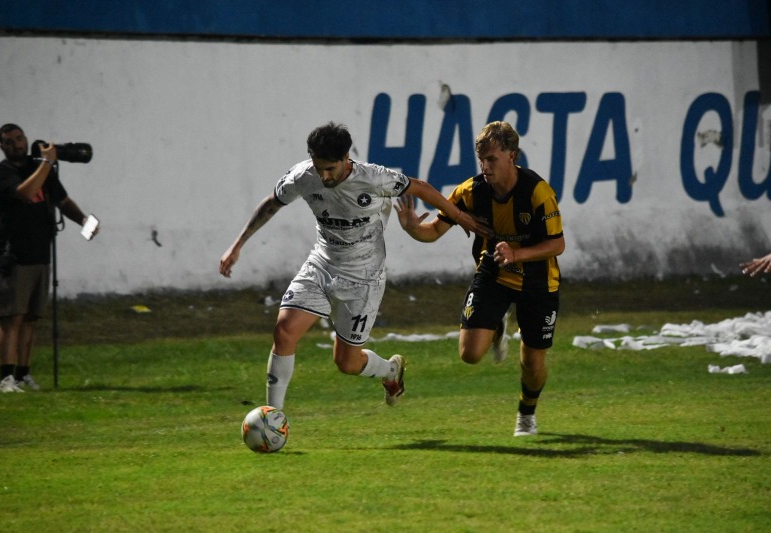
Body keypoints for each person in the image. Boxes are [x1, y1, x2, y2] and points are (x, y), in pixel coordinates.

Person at [219, 122, 490, 410]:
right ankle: (273, 416)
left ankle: (390, 371)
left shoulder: (373, 178)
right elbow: (272, 203)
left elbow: (420, 188)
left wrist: (459, 216)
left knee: (347, 363)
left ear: (346, 158)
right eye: (318, 166)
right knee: (284, 331)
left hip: (363, 279)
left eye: (330, 169)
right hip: (321, 265)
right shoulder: (302, 176)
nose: (323, 175)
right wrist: (237, 245)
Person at [395, 121, 565, 437]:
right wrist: (410, 228)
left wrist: (517, 254)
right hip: (493, 274)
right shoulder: (470, 192)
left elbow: (558, 245)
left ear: (512, 155)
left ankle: (526, 414)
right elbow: (432, 231)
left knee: (533, 364)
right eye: (481, 159)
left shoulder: (537, 192)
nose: (485, 166)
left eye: (492, 159)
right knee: (470, 354)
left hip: (538, 283)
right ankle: (498, 323)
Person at [0, 123, 98, 393]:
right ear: (2, 147)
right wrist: (46, 164)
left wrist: (83, 220)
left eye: (19, 138)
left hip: (40, 253)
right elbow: (25, 193)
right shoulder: (1, 173)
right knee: (12, 318)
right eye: (10, 141)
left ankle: (23, 373)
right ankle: (5, 378)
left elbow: (62, 200)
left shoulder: (41, 167)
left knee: (30, 318)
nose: (17, 144)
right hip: (12, 256)